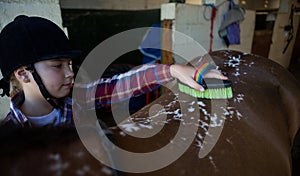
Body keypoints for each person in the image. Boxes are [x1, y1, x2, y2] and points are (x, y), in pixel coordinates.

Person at [0, 15, 227, 127]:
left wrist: (173, 70)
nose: (70, 73)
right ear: (23, 74)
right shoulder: (11, 136)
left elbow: (122, 84)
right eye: (58, 66)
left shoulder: (77, 99)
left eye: (69, 64)